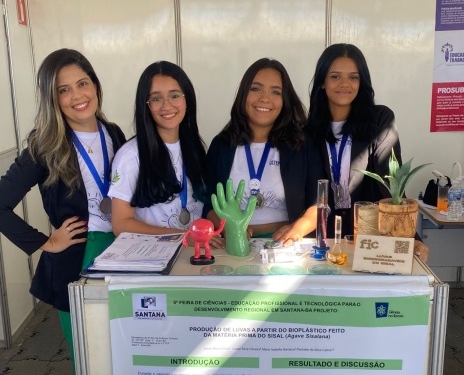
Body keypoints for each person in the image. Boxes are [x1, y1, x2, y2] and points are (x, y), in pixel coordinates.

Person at [0, 48, 126, 369]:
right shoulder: (44, 145)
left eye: (83, 83)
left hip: (121, 252)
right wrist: (46, 242)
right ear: (52, 98)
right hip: (76, 259)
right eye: (63, 90)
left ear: (95, 85)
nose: (77, 96)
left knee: (123, 347)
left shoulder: (113, 133)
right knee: (90, 361)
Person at [306, 43, 428, 260]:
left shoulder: (379, 120)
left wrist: (411, 238)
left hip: (370, 239)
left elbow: (390, 183)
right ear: (322, 82)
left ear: (361, 82)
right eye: (335, 76)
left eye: (353, 77)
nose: (345, 84)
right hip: (322, 240)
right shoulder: (308, 131)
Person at [204, 58, 323, 244]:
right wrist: (230, 229)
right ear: (244, 94)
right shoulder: (222, 145)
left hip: (285, 245)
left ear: (285, 100)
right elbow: (209, 205)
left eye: (275, 92)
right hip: (233, 245)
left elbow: (319, 203)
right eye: (256, 89)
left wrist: (298, 228)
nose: (265, 98)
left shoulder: (301, 145)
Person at [109, 60, 221, 248]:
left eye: (174, 96)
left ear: (187, 99)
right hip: (152, 257)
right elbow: (121, 225)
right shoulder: (131, 155)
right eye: (156, 98)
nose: (166, 105)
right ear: (146, 105)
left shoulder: (194, 148)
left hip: (194, 254)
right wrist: (183, 237)